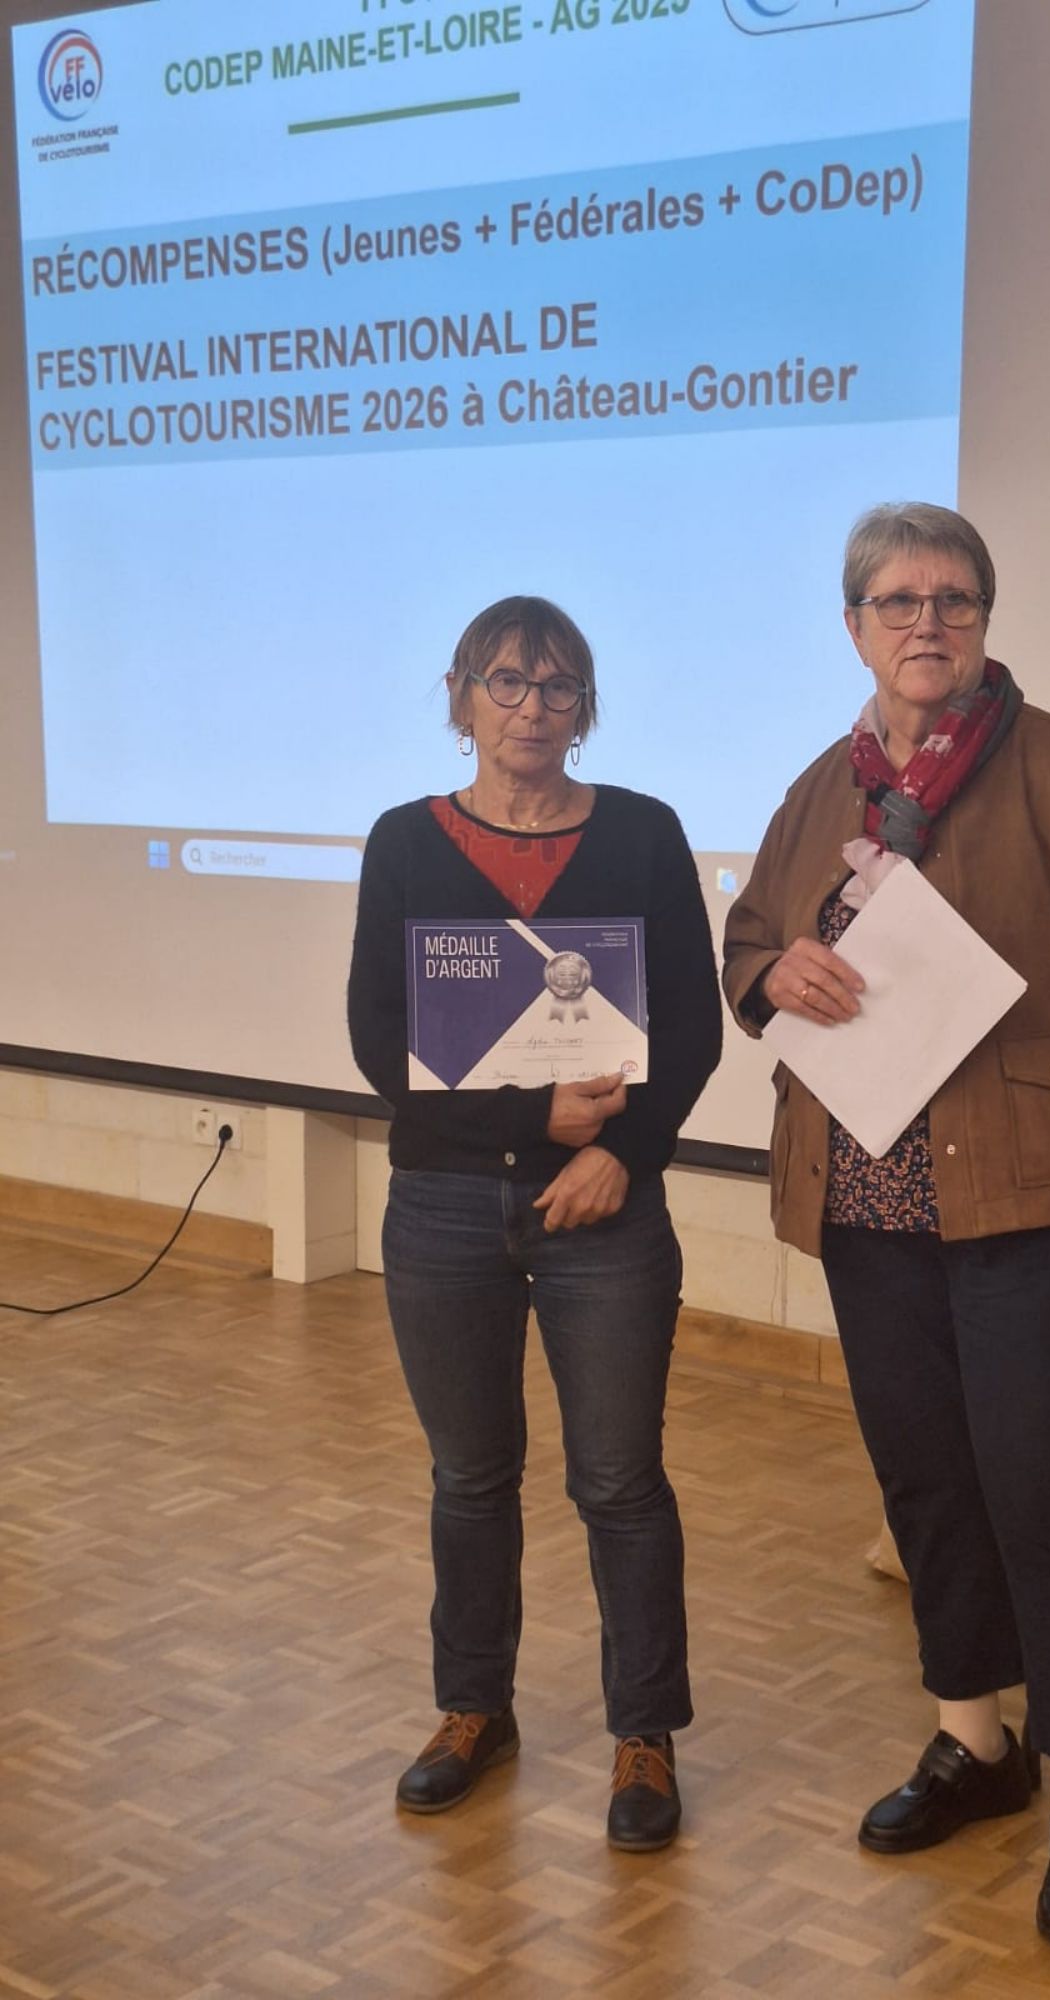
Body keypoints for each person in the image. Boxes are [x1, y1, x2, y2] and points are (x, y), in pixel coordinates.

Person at [722, 504, 1050, 1946]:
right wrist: (774, 975)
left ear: (985, 621)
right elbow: (748, 942)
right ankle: (974, 1739)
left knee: (1044, 1495)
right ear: (855, 626)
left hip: (1034, 1203)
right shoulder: (821, 787)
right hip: (869, 1208)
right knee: (926, 1485)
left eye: (954, 600)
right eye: (898, 600)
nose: (927, 622)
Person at [349, 594, 721, 1850]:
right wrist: (531, 1120)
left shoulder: (644, 832)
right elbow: (379, 1038)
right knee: (469, 1477)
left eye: (559, 686)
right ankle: (474, 1709)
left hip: (606, 1206)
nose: (532, 708)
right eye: (506, 681)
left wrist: (622, 1150)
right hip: (443, 1206)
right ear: (461, 697)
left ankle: (645, 1733)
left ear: (586, 708)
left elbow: (692, 1025)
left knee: (620, 1481)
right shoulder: (404, 841)